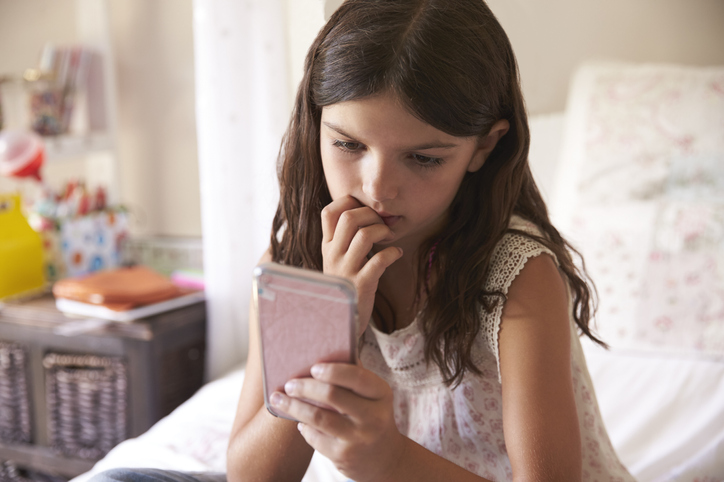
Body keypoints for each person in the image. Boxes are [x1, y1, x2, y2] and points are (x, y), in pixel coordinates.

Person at [93, 0, 635, 481]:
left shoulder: (518, 276)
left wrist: (388, 461)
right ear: (316, 124)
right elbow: (253, 476)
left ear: (484, 149)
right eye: (349, 144)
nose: (378, 188)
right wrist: (330, 324)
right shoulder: (296, 262)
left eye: (424, 157)